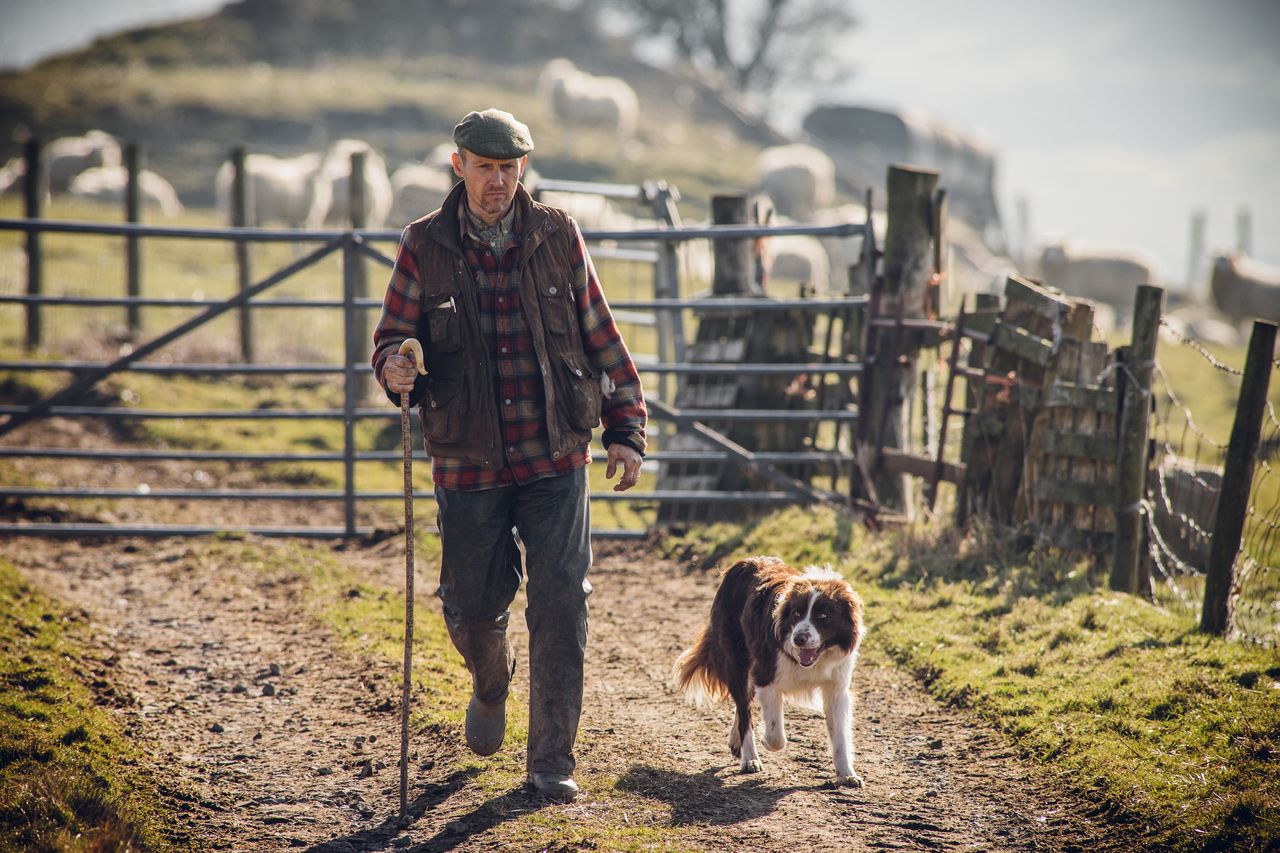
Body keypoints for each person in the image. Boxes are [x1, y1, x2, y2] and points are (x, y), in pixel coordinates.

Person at [371, 108, 646, 803]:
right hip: (468, 460)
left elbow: (601, 338)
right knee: (469, 606)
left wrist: (626, 428)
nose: (498, 182)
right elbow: (391, 338)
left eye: (508, 168)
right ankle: (491, 680)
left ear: (523, 168)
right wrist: (394, 369)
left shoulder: (558, 236)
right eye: (485, 168)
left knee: (561, 601)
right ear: (457, 165)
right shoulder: (423, 245)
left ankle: (550, 758)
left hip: (555, 453)